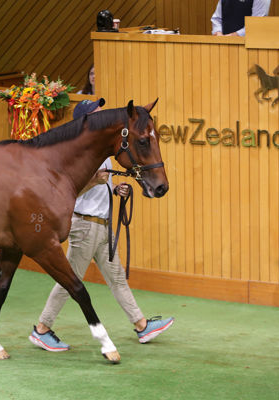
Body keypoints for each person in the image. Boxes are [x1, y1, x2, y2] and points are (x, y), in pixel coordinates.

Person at [28, 99, 174, 352]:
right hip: (84, 226)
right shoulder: (78, 156)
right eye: (95, 112)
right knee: (68, 281)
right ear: (85, 120)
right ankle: (42, 329)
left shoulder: (102, 152)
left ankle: (142, 326)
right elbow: (69, 193)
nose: (100, 114)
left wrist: (116, 188)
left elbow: (102, 183)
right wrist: (95, 182)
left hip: (102, 225)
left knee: (116, 279)